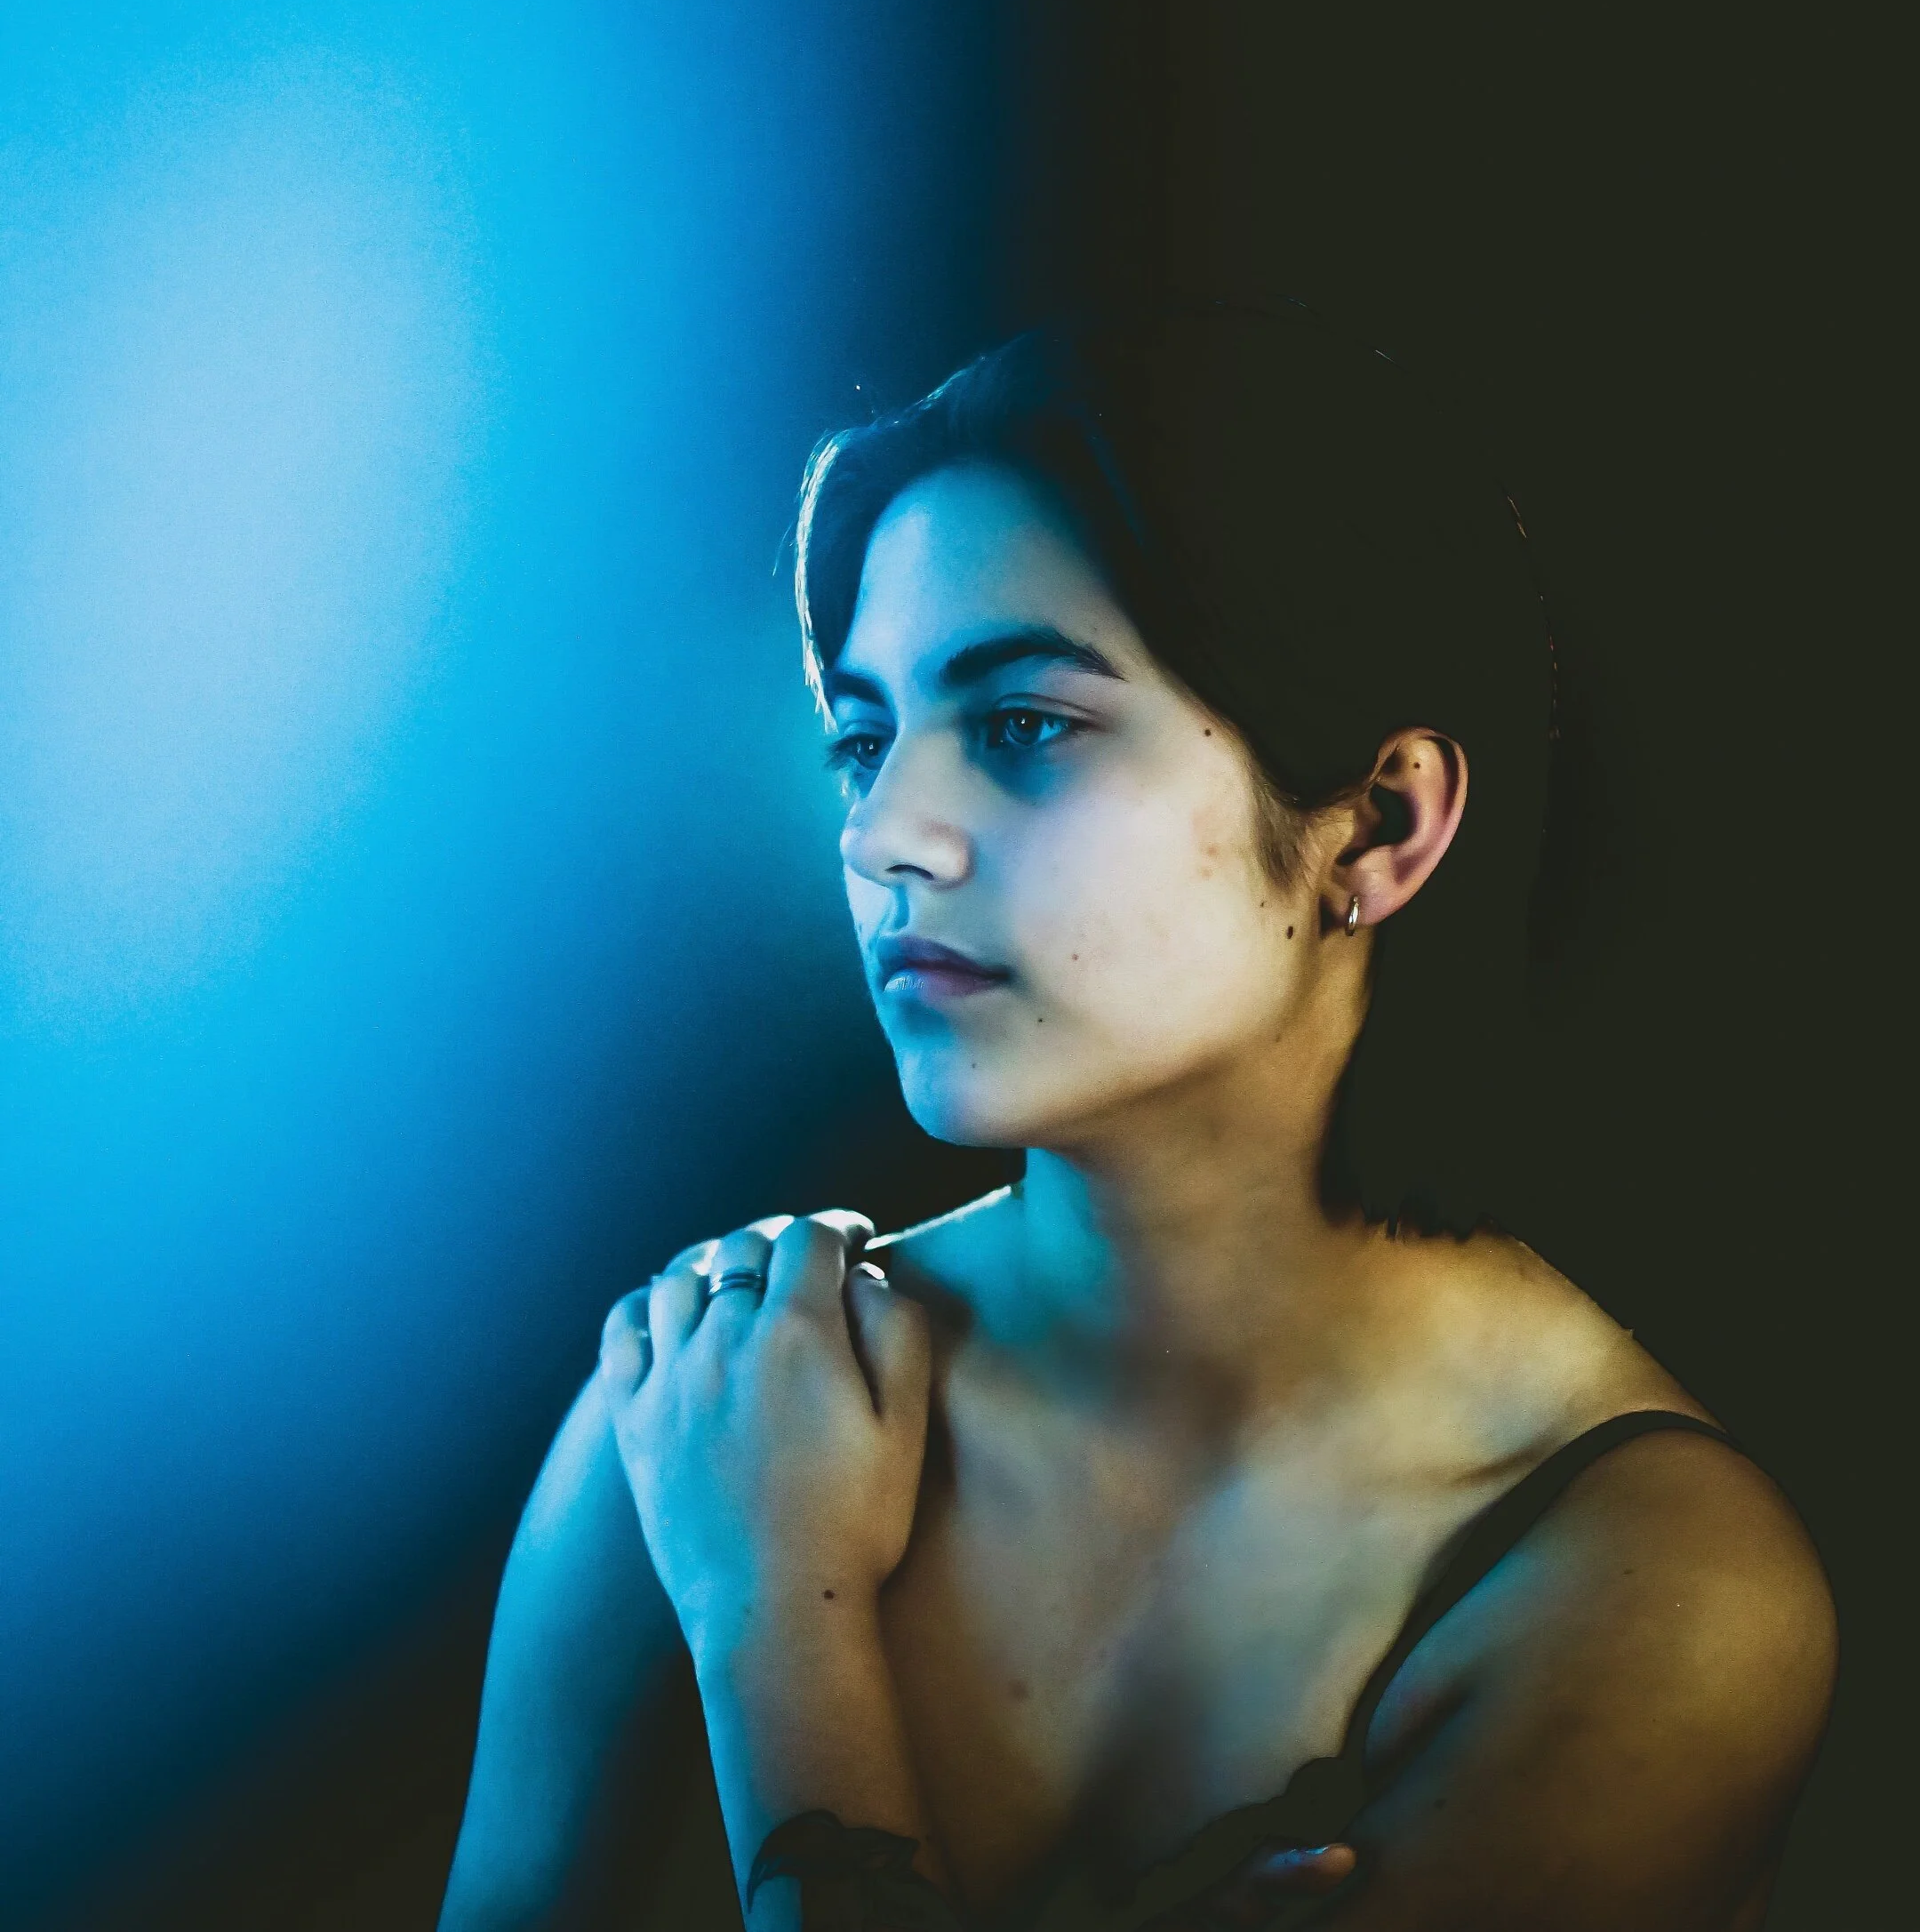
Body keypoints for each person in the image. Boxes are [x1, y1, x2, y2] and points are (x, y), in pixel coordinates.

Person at [438, 306, 1836, 1931]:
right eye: (864, 741)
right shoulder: (721, 1406)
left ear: (1380, 824)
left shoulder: (1650, 1590)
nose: (884, 836)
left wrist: (777, 1617)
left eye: (1023, 726)